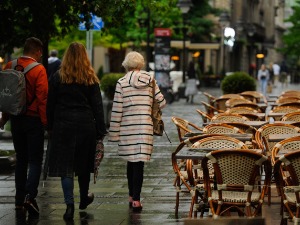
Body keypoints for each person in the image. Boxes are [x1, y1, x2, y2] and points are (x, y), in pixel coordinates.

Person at [46, 42, 107, 220]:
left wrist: (49, 126)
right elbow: (97, 107)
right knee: (83, 166)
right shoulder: (90, 78)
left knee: (66, 168)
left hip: (63, 126)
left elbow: (50, 105)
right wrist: (101, 130)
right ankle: (84, 198)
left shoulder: (58, 77)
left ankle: (69, 205)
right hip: (85, 126)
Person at [108, 51, 166, 211]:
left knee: (130, 161)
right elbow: (162, 102)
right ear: (141, 63)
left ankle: (131, 195)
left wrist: (114, 133)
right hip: (144, 127)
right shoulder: (150, 81)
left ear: (126, 64)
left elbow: (116, 109)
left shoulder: (121, 82)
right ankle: (137, 200)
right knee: (139, 163)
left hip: (128, 127)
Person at [0, 37, 48, 218]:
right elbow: (42, 98)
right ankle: (30, 196)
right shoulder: (39, 70)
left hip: (16, 119)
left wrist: (4, 118)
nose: (41, 55)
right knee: (35, 160)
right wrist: (45, 122)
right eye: (40, 52)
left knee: (21, 159)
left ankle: (18, 201)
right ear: (36, 51)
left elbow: (6, 96)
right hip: (33, 120)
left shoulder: (9, 66)